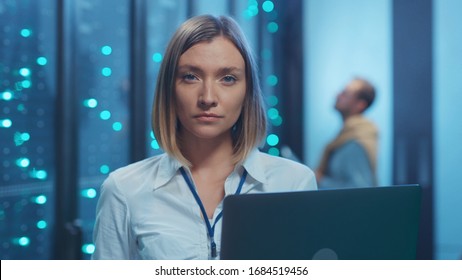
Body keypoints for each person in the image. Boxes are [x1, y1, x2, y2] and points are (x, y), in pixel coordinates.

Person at [92, 14, 317, 260]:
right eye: (191, 76)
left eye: (228, 78)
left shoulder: (294, 183)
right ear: (169, 89)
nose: (208, 97)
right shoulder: (124, 189)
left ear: (247, 92)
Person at [315, 78, 378, 189]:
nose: (337, 96)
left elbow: (360, 190)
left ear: (360, 104)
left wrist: (319, 180)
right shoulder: (345, 135)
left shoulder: (357, 140)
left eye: (345, 93)